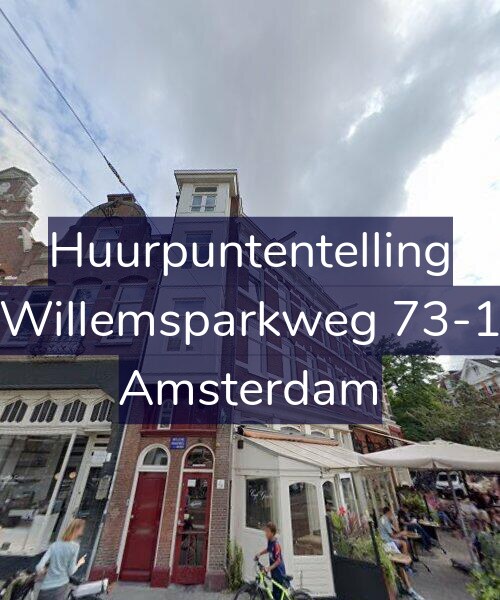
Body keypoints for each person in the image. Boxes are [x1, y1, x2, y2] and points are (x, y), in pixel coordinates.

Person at [36, 518, 86, 600]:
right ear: (77, 530)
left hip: (45, 588)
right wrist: (79, 563)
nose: (82, 532)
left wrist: (44, 571)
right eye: (82, 529)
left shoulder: (54, 545)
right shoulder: (75, 547)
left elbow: (39, 567)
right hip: (60, 588)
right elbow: (70, 572)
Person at [255, 522, 287, 600]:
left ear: (272, 533)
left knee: (278, 595)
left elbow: (278, 561)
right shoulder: (270, 541)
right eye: (265, 531)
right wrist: (259, 554)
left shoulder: (276, 545)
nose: (265, 533)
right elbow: (268, 549)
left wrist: (268, 568)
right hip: (274, 571)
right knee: (275, 593)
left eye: (267, 531)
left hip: (279, 572)